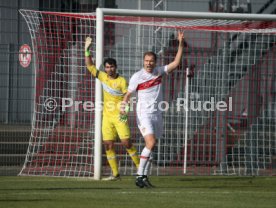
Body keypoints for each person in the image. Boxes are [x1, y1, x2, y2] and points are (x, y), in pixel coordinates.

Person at [120, 31, 185, 188]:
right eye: (146, 61)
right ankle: (139, 175)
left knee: (152, 145)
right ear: (143, 62)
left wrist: (181, 44)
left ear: (155, 62)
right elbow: (128, 94)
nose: (148, 63)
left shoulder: (159, 71)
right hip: (144, 114)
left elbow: (176, 63)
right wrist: (123, 108)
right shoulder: (137, 76)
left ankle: (144, 177)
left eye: (151, 61)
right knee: (151, 141)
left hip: (157, 115)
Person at [84, 37, 140, 180]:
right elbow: (90, 66)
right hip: (107, 117)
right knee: (108, 145)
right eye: (107, 67)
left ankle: (141, 169)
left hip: (120, 116)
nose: (109, 69)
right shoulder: (103, 77)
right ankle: (115, 173)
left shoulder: (122, 81)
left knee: (127, 143)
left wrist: (125, 111)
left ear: (116, 67)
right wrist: (87, 50)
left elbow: (128, 97)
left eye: (111, 67)